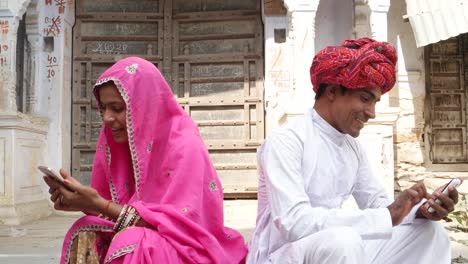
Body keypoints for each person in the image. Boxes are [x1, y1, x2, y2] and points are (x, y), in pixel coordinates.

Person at [246, 37, 459, 264]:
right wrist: (387, 215)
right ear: (333, 91)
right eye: (365, 99)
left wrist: (417, 211)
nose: (372, 112)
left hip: (336, 250)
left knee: (430, 234)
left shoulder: (352, 148)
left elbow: (379, 206)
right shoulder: (287, 140)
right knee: (343, 241)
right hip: (279, 255)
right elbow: (294, 223)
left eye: (375, 102)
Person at [43, 57, 247, 263]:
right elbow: (116, 209)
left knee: (134, 241)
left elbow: (180, 227)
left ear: (145, 106)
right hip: (144, 233)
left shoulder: (184, 145)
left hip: (186, 246)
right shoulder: (116, 144)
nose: (107, 118)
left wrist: (99, 204)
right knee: (85, 230)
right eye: (103, 108)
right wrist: (80, 202)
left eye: (116, 108)